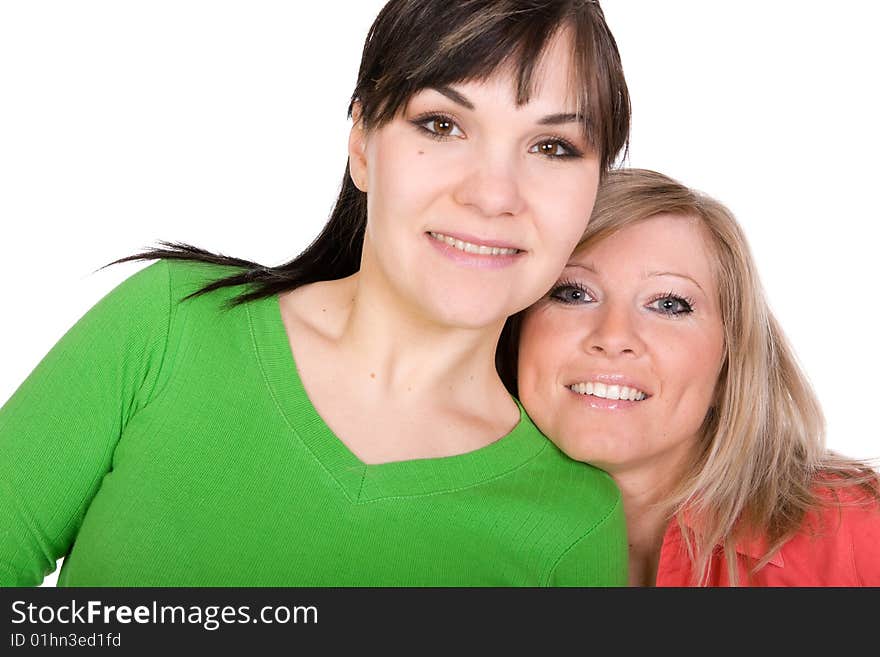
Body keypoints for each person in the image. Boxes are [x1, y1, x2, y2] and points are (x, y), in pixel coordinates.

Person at [0, 0, 632, 586]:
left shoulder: (574, 525)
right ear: (362, 143)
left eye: (552, 147)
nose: (494, 194)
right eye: (441, 125)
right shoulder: (170, 326)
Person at [506, 168, 880, 586]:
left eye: (668, 305)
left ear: (729, 361)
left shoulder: (860, 531)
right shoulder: (434, 533)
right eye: (574, 293)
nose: (613, 337)